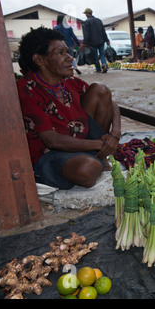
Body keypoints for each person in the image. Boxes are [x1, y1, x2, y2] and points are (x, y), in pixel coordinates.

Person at [16, 27, 121, 190]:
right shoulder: (26, 90)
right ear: (39, 60)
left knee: (100, 89)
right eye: (61, 53)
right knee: (88, 170)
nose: (70, 57)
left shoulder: (69, 83)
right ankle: (95, 157)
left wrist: (115, 134)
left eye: (68, 52)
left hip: (84, 144)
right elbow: (52, 140)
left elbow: (111, 103)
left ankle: (98, 157)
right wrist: (101, 144)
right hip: (51, 153)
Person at [82, 8, 110, 73]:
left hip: (92, 42)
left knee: (95, 56)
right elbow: (103, 31)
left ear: (87, 13)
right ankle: (104, 65)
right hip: (101, 41)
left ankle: (98, 69)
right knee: (102, 54)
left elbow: (86, 34)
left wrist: (85, 43)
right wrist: (107, 40)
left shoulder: (86, 22)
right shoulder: (99, 20)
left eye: (85, 13)